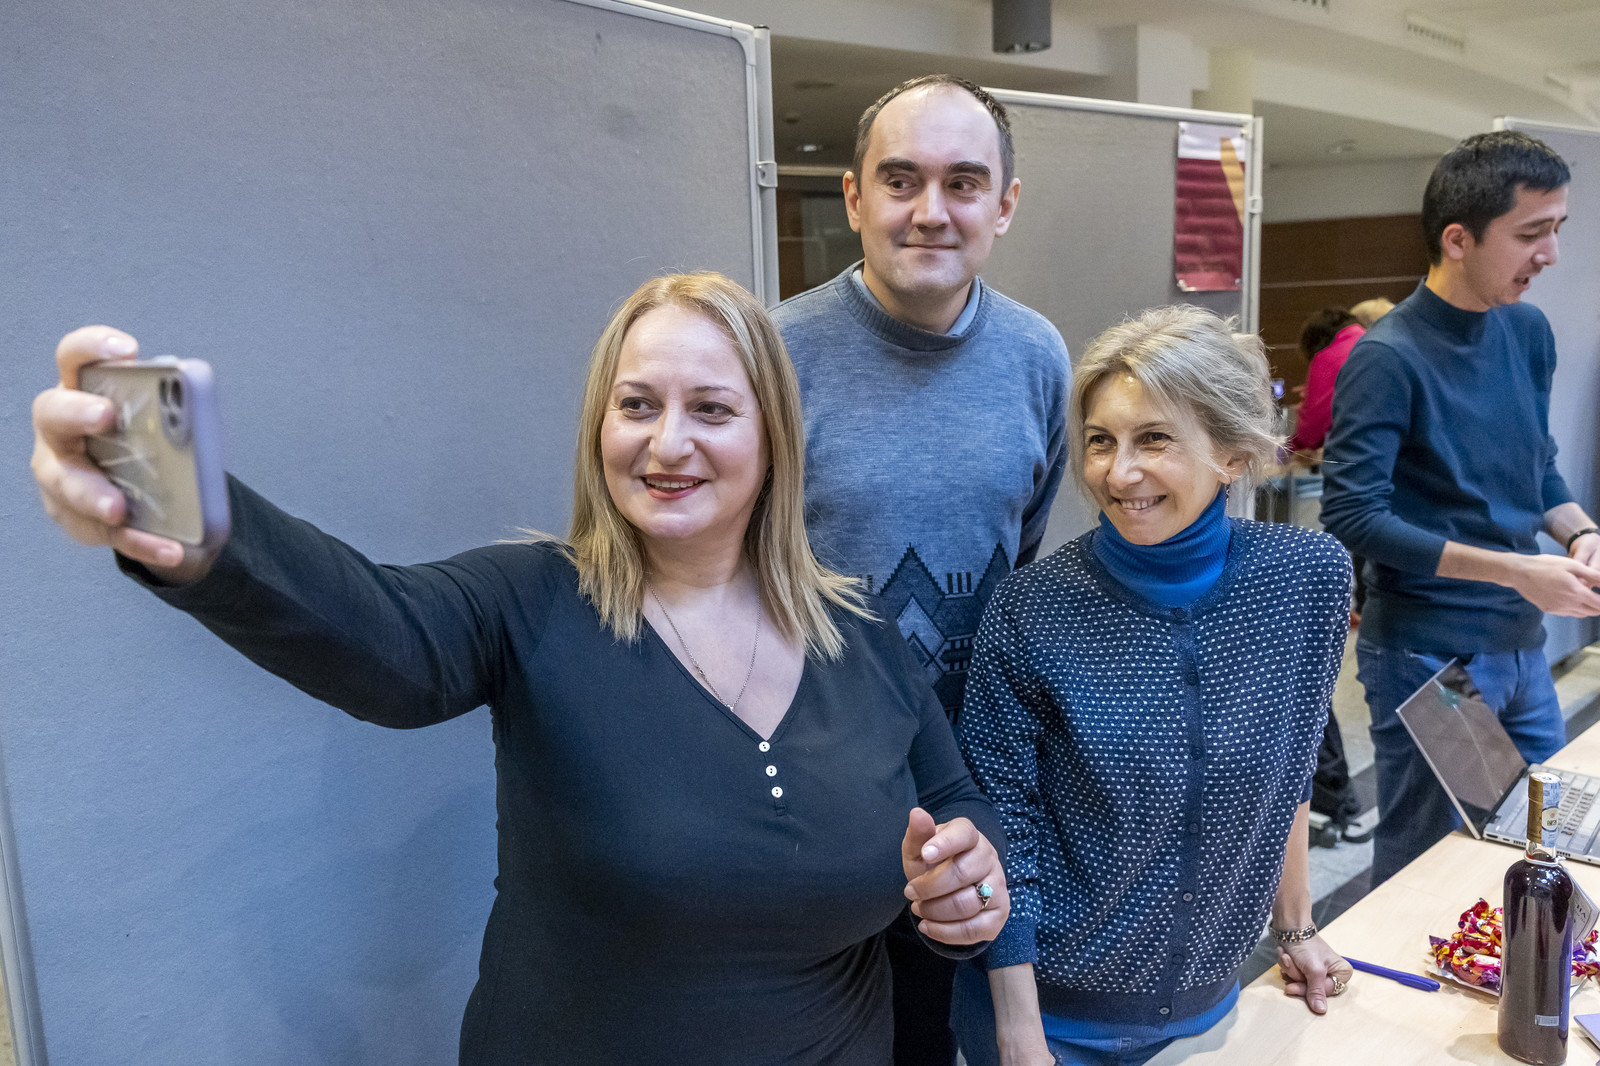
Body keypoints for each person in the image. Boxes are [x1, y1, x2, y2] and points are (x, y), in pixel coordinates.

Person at [29, 273, 1011, 1066]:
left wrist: (969, 884)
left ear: (773, 440)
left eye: (711, 408)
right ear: (599, 427)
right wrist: (195, 528)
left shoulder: (859, 630)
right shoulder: (533, 600)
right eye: (637, 405)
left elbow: (955, 801)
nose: (667, 441)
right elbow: (381, 634)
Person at [955, 306, 1353, 1066]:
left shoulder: (1307, 578)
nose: (1118, 472)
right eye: (1101, 441)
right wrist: (1019, 1032)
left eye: (1155, 439)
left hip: (1213, 1007)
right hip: (1050, 1016)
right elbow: (1003, 831)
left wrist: (1296, 926)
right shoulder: (1031, 608)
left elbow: (1292, 772)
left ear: (1232, 452)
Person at [771, 73, 1070, 1066]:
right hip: (804, 794)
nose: (931, 211)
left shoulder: (1038, 358)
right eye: (900, 180)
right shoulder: (772, 355)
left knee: (926, 1035)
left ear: (1004, 205)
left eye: (962, 182)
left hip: (959, 795)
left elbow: (1018, 561)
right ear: (854, 198)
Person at [1320, 130, 1600, 886]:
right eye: (1531, 233)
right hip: (1432, 656)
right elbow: (1354, 515)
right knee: (1433, 866)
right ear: (1457, 239)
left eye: (1557, 230)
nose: (1550, 254)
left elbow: (1534, 464)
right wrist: (1517, 570)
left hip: (1520, 645)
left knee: (1547, 852)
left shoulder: (1527, 331)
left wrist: (1578, 529)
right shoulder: (1389, 357)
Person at [1285, 307, 1363, 456]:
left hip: (1356, 451)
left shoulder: (1328, 357)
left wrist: (1292, 449)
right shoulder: (1366, 341)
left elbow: (1312, 430)